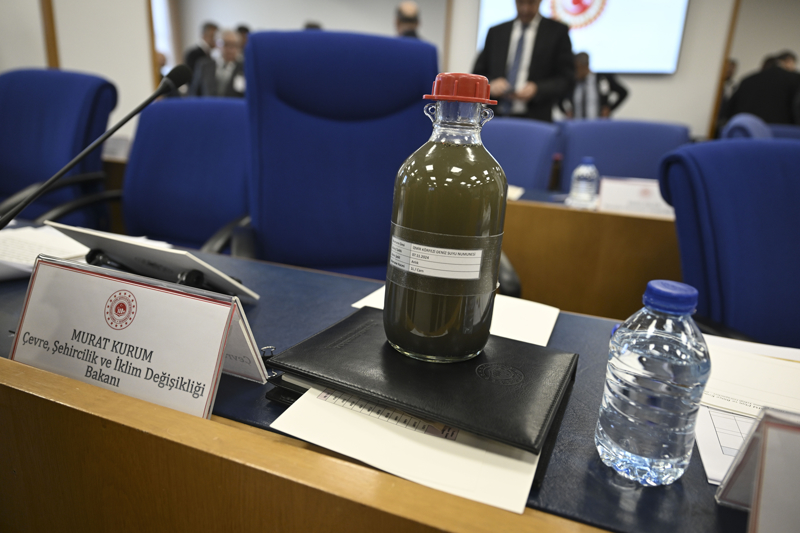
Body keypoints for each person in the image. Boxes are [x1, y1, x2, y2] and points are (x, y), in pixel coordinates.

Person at [473, 0, 574, 122]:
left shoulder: (557, 32)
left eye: (531, 3)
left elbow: (566, 79)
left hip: (536, 119)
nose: (525, 9)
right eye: (520, 3)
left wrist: (537, 89)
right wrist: (491, 84)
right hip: (495, 117)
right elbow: (477, 75)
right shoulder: (496, 32)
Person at [726, 50, 800, 125]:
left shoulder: (747, 80)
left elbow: (729, 111)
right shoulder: (795, 79)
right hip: (782, 129)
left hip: (746, 128)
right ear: (788, 61)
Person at [559, 52, 627, 119]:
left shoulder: (602, 79)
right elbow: (559, 98)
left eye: (577, 68)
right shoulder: (572, 83)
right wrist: (566, 111)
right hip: (577, 123)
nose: (574, 71)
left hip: (598, 123)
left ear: (585, 66)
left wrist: (609, 108)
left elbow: (623, 92)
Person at [188, 30, 245, 98]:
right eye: (226, 44)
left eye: (234, 45)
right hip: (208, 104)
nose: (230, 49)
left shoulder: (244, 68)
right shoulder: (204, 65)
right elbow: (194, 93)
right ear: (217, 44)